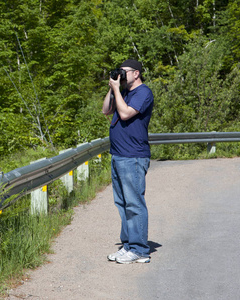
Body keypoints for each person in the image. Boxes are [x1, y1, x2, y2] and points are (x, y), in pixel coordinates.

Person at [102, 59, 154, 264]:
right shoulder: (122, 92)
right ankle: (128, 246)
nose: (121, 76)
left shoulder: (143, 93)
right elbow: (106, 111)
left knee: (134, 204)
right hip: (118, 155)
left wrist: (117, 89)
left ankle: (140, 249)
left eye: (124, 73)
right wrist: (112, 87)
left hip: (133, 156)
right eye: (119, 73)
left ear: (136, 73)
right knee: (122, 204)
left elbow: (124, 114)